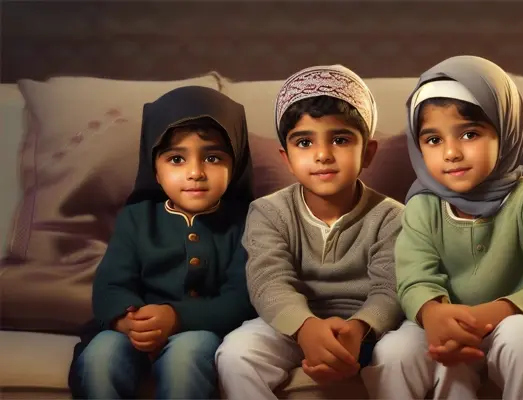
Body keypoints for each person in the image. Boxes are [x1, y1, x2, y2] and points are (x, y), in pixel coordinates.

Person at [216, 65, 435, 399]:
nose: (322, 155)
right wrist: (305, 328)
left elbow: (390, 288)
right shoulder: (268, 212)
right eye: (304, 142)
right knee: (236, 352)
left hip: (373, 329)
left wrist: (359, 329)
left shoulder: (392, 217)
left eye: (340, 139)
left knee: (406, 350)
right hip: (292, 328)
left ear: (368, 153)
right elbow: (268, 281)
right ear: (286, 158)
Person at [395, 55, 523, 400]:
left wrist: (495, 312)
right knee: (400, 351)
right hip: (452, 322)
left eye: (469, 133)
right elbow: (414, 277)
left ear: (505, 131)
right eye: (433, 140)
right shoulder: (422, 207)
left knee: (521, 339)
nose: (451, 153)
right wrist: (434, 314)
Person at [68, 86, 256, 399]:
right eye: (177, 159)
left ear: (234, 164)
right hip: (134, 327)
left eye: (212, 157)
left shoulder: (249, 222)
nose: (195, 173)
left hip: (202, 330)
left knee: (189, 354)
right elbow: (110, 286)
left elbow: (241, 301)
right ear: (155, 170)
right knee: (101, 357)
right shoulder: (137, 218)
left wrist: (177, 318)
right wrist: (128, 321)